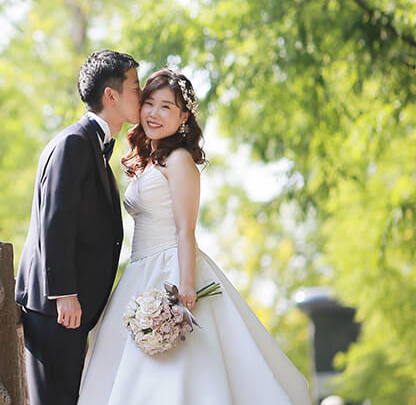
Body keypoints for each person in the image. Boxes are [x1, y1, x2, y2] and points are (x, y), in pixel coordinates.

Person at [78, 68, 310, 404]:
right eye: (149, 104)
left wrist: (185, 287)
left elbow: (186, 231)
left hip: (170, 269)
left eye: (166, 107)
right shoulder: (147, 162)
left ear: (184, 116)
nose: (154, 114)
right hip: (138, 272)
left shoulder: (180, 159)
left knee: (178, 373)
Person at [16, 50, 142, 405]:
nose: (142, 94)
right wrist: (65, 293)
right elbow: (55, 220)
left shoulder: (96, 147)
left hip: (71, 311)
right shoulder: (74, 143)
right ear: (111, 95)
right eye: (135, 87)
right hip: (56, 307)